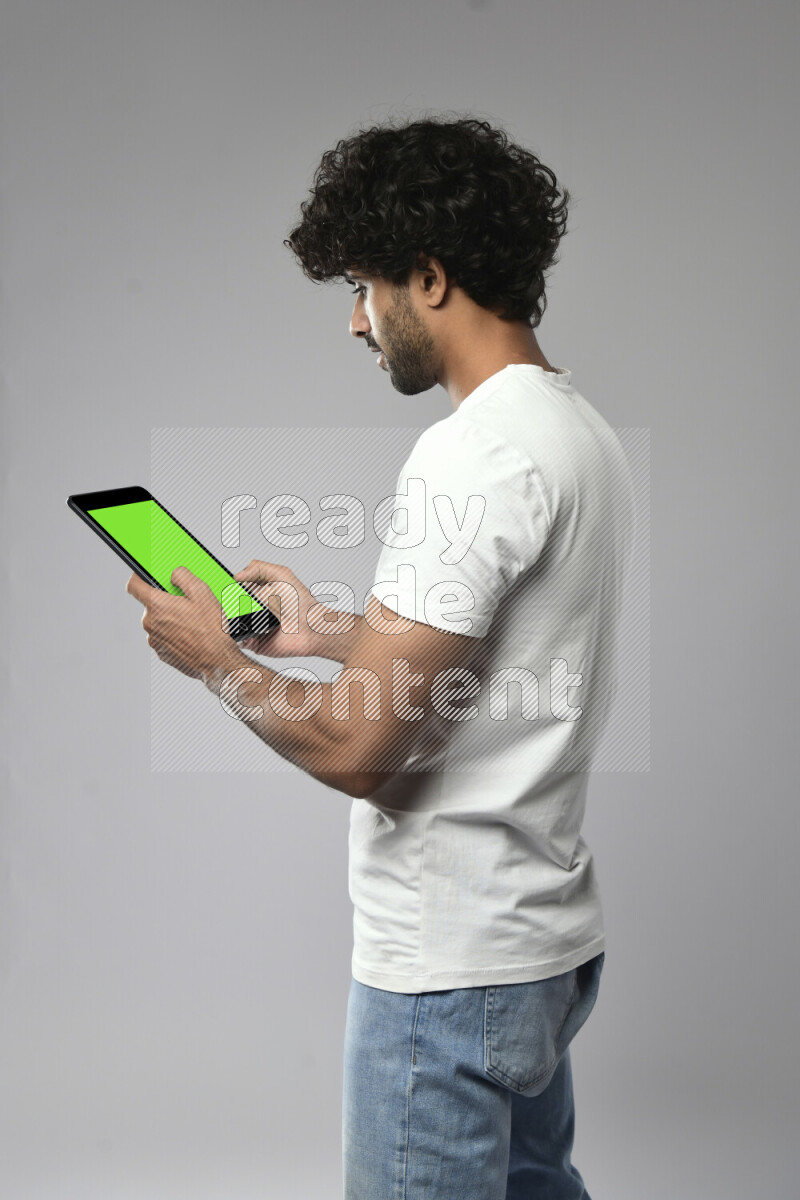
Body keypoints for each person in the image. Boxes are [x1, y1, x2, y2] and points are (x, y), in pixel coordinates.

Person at [127, 115, 635, 1199]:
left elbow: (361, 748)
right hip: (536, 948)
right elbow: (507, 668)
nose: (355, 322)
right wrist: (321, 635)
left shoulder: (471, 455)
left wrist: (218, 661)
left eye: (363, 287)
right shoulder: (574, 431)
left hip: (446, 975)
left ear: (430, 278)